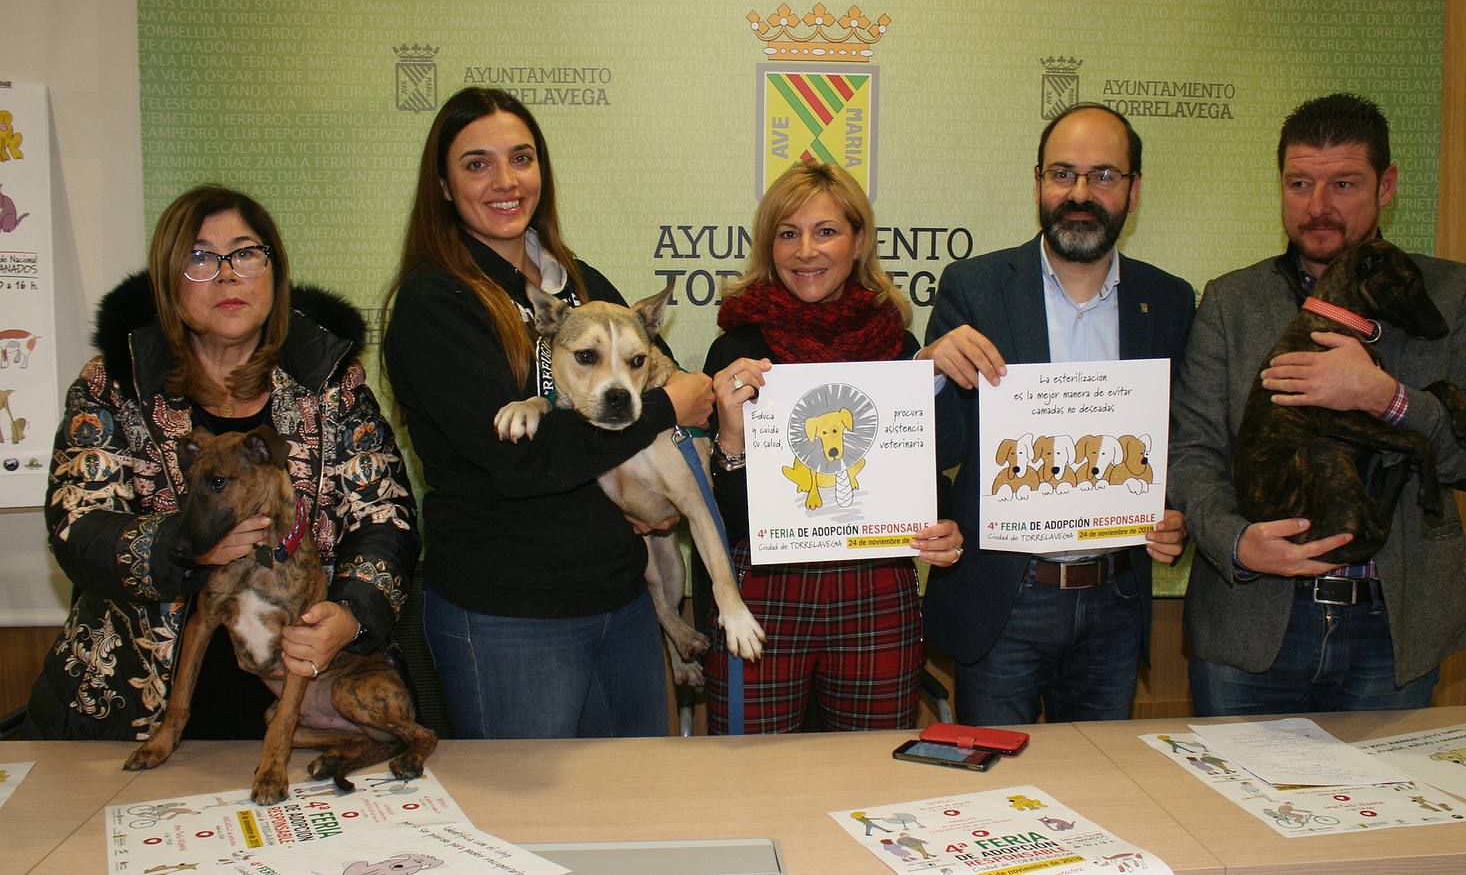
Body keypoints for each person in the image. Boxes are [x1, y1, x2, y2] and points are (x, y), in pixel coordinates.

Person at [26, 184, 418, 740]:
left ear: (274, 274)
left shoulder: (330, 387)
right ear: (169, 282)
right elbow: (75, 526)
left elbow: (387, 520)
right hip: (129, 710)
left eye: (245, 253)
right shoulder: (114, 386)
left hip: (308, 714)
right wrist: (184, 544)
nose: (227, 275)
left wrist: (351, 614)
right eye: (200, 258)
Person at [382, 87, 713, 739]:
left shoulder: (580, 284)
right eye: (477, 163)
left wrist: (679, 447)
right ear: (443, 186)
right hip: (510, 616)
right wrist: (668, 407)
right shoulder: (434, 304)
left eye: (521, 158)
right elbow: (521, 459)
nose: (505, 181)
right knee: (527, 834)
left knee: (641, 815)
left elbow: (663, 385)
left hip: (622, 600)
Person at [1169, 93, 1466, 715]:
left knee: (1390, 814)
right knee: (1228, 811)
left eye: (1344, 183)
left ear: (1387, 187)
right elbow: (1193, 453)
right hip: (1254, 625)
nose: (1317, 206)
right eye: (1299, 183)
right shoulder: (1231, 301)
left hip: (1393, 629)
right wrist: (1237, 542)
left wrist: (1389, 399)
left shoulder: (1453, 293)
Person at [920, 104, 1194, 725]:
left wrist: (1176, 513)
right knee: (996, 793)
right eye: (1062, 174)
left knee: (1103, 789)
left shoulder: (1170, 301)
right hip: (1004, 599)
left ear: (1134, 190)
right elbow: (940, 447)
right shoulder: (976, 289)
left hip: (1117, 599)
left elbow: (1184, 440)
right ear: (1038, 182)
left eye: (1103, 176)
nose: (1079, 193)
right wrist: (931, 371)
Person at [703, 159, 963, 734]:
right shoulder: (736, 350)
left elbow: (913, 474)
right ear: (769, 247)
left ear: (858, 241)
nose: (806, 251)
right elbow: (717, 512)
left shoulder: (900, 346)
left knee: (871, 781)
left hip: (876, 588)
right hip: (762, 590)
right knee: (752, 774)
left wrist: (942, 525)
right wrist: (728, 437)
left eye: (825, 231)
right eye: (788, 233)